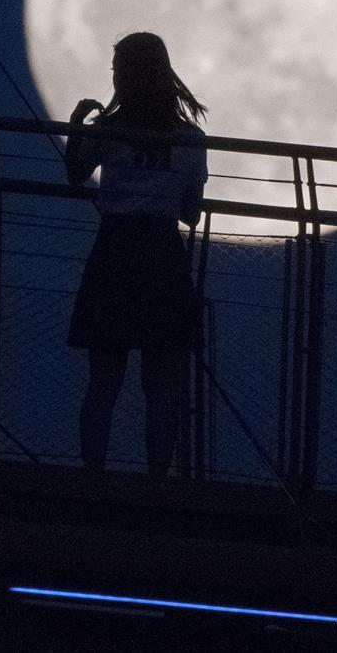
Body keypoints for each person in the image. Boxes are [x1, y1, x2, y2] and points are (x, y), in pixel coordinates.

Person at [65, 32, 208, 479]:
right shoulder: (189, 138)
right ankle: (157, 483)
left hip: (114, 254)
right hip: (163, 258)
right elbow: (190, 213)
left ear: (125, 76)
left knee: (104, 381)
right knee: (161, 387)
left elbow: (75, 176)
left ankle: (92, 476)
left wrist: (76, 126)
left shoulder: (108, 130)